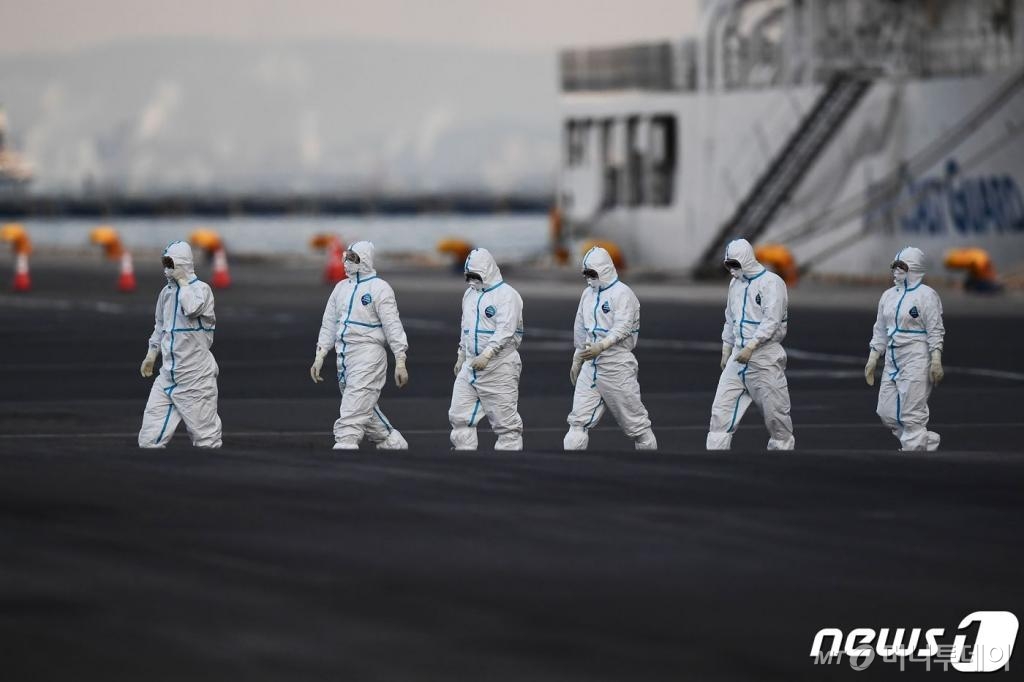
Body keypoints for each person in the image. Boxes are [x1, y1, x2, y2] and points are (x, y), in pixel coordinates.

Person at [311, 241, 410, 450]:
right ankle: (391, 441)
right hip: (344, 356)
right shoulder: (340, 288)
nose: (347, 263)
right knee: (361, 404)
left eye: (353, 258)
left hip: (369, 355)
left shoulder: (379, 288)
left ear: (364, 261)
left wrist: (400, 360)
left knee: (353, 407)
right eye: (345, 257)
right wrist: (320, 354)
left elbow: (393, 326)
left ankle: (345, 442)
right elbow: (329, 322)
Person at [564, 246, 657, 450]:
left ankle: (649, 458)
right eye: (586, 273)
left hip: (617, 365)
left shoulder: (623, 294)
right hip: (591, 364)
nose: (589, 278)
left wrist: (602, 346)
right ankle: (573, 470)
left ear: (604, 270)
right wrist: (578, 356)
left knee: (637, 426)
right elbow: (580, 326)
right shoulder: (587, 295)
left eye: (592, 273)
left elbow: (623, 327)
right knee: (577, 422)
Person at [706, 238, 795, 450]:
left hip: (764, 357)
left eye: (735, 264)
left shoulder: (772, 283)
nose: (731, 270)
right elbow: (730, 317)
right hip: (738, 357)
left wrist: (751, 346)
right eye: (728, 265)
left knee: (777, 417)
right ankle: (715, 457)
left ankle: (783, 455)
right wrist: (726, 348)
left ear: (746, 260)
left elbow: (772, 321)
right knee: (721, 411)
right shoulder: (735, 284)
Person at [138, 240, 222, 448]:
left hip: (195, 379)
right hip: (167, 377)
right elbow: (159, 326)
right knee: (149, 440)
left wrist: (184, 282)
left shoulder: (201, 290)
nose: (166, 268)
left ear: (182, 264)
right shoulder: (166, 293)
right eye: (164, 263)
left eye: (170, 263)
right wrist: (151, 354)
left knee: (206, 440)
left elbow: (192, 308)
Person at [864, 246, 945, 451]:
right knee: (886, 411)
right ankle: (922, 441)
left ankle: (913, 451)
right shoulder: (888, 296)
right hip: (892, 357)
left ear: (914, 268)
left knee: (911, 413)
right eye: (894, 266)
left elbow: (935, 329)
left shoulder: (927, 296)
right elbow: (880, 329)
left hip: (916, 355)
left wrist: (935, 360)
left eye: (902, 266)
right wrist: (873, 357)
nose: (896, 270)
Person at [449, 248, 525, 450]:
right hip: (471, 365)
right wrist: (461, 355)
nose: (472, 281)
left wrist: (488, 354)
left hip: (499, 367)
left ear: (487, 271)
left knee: (505, 424)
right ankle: (464, 455)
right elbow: (465, 327)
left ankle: (510, 461)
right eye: (468, 276)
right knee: (459, 416)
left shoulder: (507, 295)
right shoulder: (469, 295)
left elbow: (506, 330)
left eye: (476, 276)